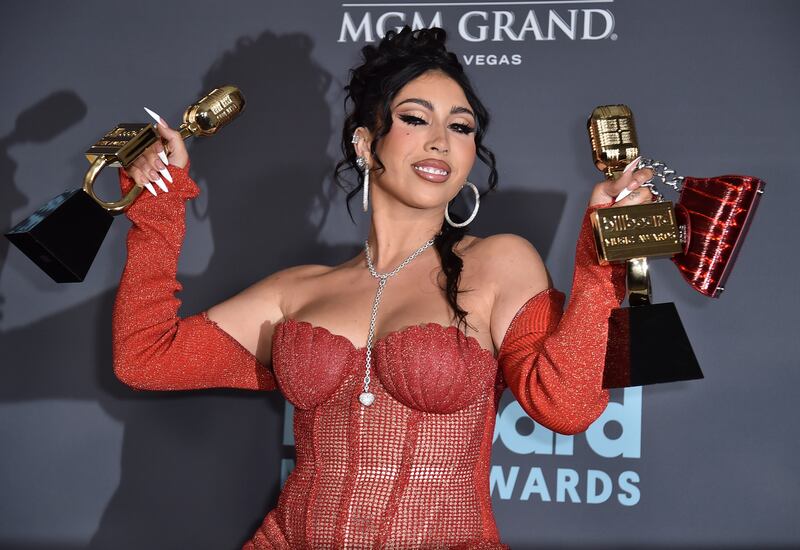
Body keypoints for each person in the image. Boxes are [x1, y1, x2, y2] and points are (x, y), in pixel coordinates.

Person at [112, 26, 653, 549]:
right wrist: (158, 206)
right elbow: (143, 356)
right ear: (366, 143)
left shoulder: (498, 262)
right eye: (416, 119)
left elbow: (568, 406)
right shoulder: (296, 291)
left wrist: (602, 258)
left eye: (461, 128)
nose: (440, 141)